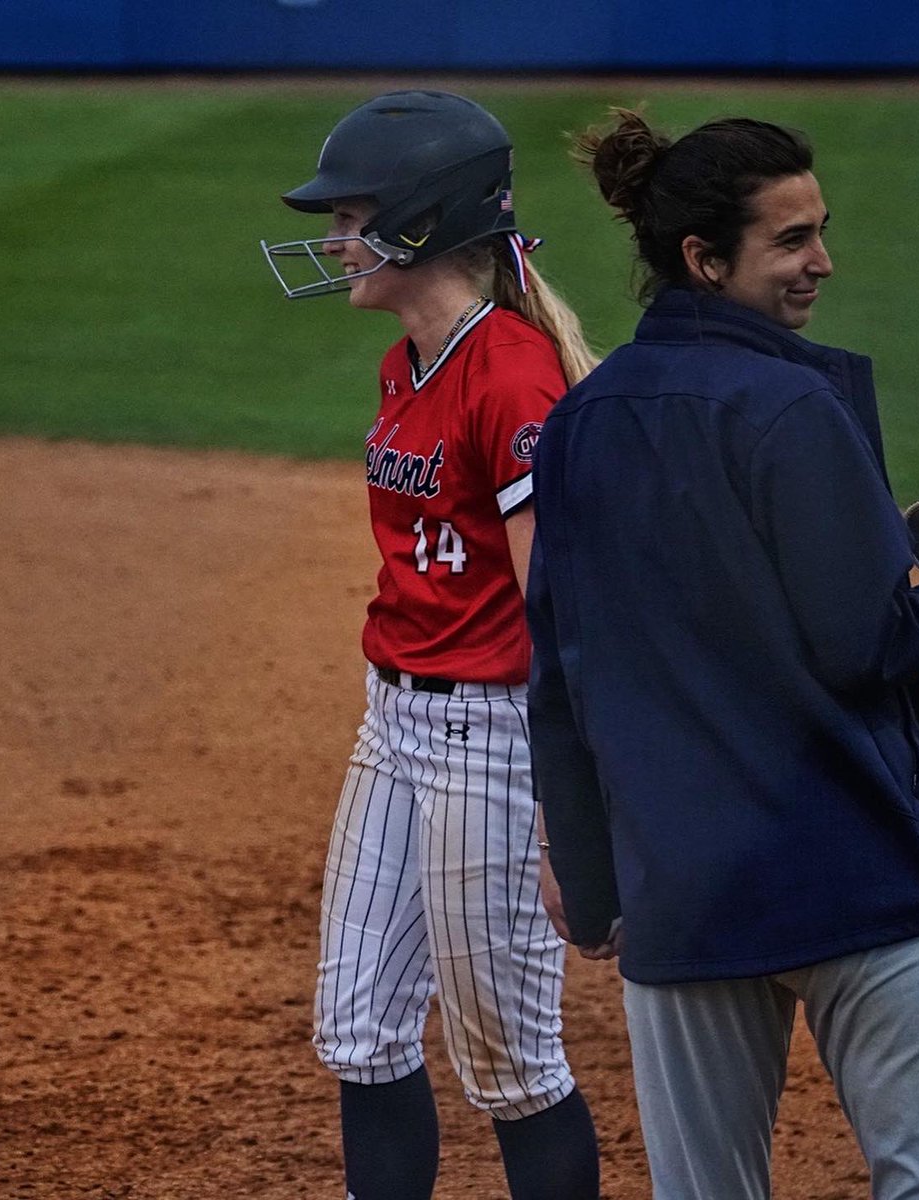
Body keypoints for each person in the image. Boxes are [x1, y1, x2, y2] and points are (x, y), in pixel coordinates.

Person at [526, 110, 919, 1200]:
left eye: (820, 230)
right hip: (856, 879)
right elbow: (872, 641)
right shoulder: (790, 405)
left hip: (685, 905)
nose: (823, 262)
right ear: (705, 261)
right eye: (792, 241)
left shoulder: (580, 423)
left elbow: (562, 677)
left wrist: (592, 878)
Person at [260, 91, 601, 1200]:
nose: (330, 237)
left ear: (418, 222)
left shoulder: (510, 375)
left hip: (494, 740)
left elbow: (559, 607)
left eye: (349, 215)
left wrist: (567, 803)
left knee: (511, 1065)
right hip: (394, 721)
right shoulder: (407, 361)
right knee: (358, 1030)